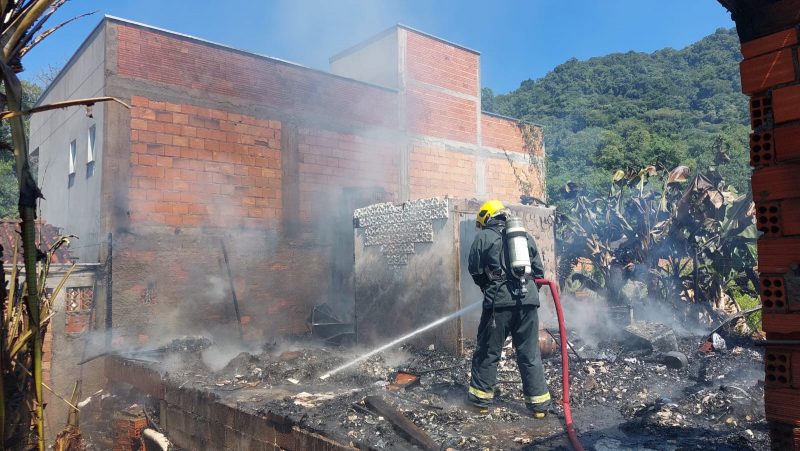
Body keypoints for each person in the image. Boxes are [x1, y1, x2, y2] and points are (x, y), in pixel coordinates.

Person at [466, 199, 552, 417]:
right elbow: (539, 272)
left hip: (499, 305)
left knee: (488, 350)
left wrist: (489, 287)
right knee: (529, 353)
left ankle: (480, 402)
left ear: (487, 217)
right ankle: (539, 407)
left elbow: (475, 269)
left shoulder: (484, 237)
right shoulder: (525, 236)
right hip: (528, 303)